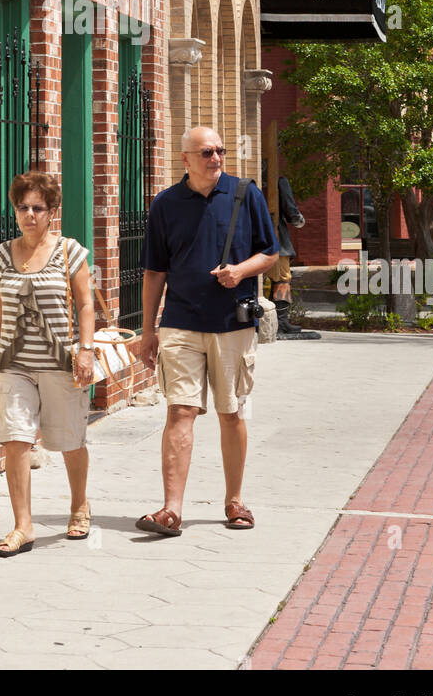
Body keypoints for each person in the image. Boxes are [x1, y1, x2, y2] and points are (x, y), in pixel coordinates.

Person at [134, 126, 278, 537]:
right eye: (206, 152)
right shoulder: (165, 204)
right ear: (185, 160)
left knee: (230, 413)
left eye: (220, 150)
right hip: (180, 323)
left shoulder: (244, 193)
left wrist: (241, 271)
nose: (215, 158)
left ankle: (235, 502)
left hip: (231, 325)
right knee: (180, 410)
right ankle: (171, 510)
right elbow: (154, 271)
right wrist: (148, 331)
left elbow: (270, 251)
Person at [0, 170, 95, 557]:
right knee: (16, 441)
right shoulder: (1, 255)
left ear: (51, 212)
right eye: (22, 207)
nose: (29, 214)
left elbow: (85, 304)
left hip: (60, 363)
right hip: (14, 365)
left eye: (38, 208)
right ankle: (23, 526)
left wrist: (86, 349)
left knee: (69, 441)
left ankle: (79, 504)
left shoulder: (69, 251)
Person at [266, 172, 321, 340]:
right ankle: (281, 322)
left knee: (260, 280)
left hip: (251, 239)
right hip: (276, 240)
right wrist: (299, 220)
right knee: (282, 280)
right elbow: (292, 212)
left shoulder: (245, 180)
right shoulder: (277, 180)